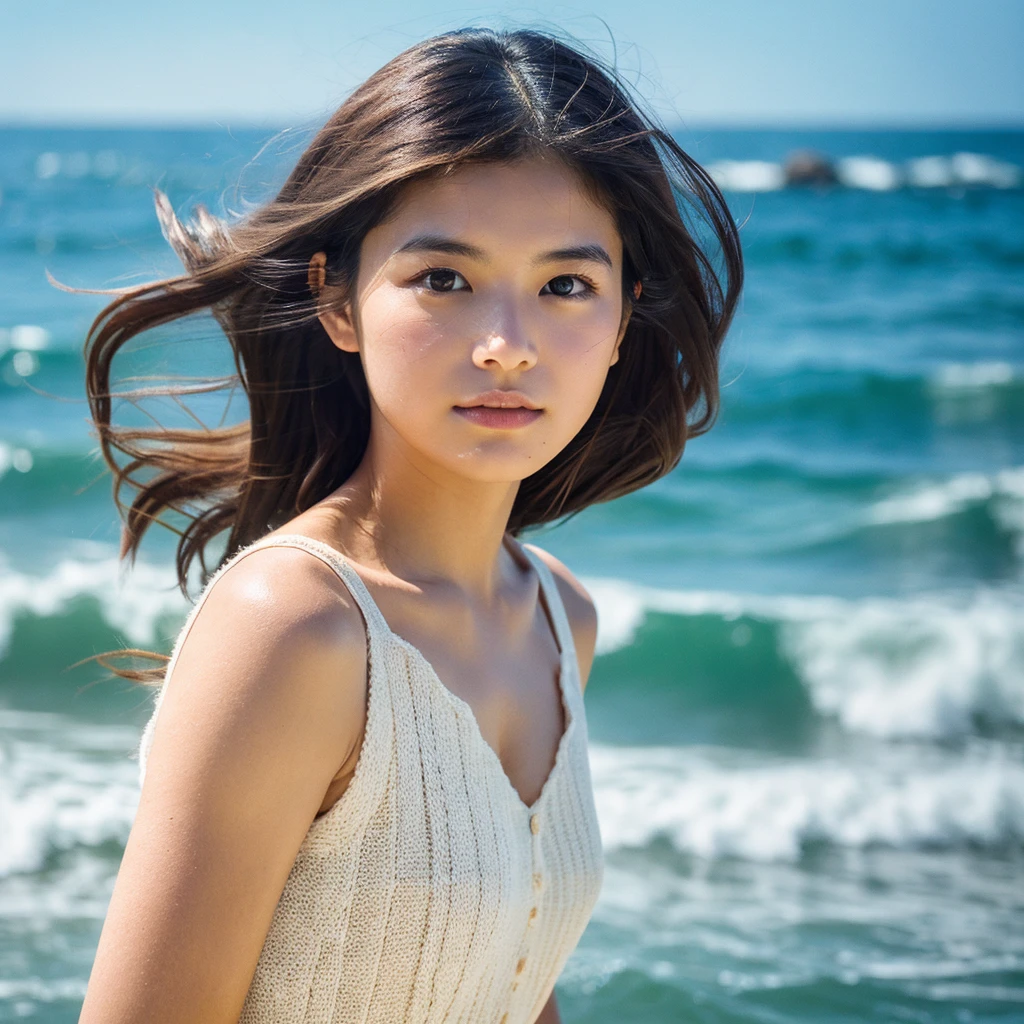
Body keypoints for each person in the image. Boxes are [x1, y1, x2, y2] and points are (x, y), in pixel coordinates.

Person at [74, 26, 742, 1024]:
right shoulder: (292, 626)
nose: (507, 346)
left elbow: (507, 982)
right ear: (336, 300)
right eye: (443, 278)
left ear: (619, 320)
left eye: (565, 285)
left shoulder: (560, 619)